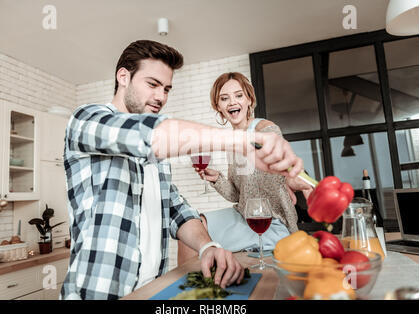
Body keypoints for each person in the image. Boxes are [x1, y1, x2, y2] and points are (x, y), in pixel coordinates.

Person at [60, 41, 304, 300]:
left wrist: (207, 246)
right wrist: (245, 140)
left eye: (166, 89)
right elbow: (149, 133)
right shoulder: (87, 119)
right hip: (97, 293)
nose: (161, 97)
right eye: (152, 84)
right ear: (123, 77)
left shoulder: (157, 159)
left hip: (152, 291)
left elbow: (176, 210)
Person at [178, 72, 313, 265]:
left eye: (239, 95)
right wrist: (217, 179)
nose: (232, 102)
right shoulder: (232, 144)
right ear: (218, 106)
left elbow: (284, 167)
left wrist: (296, 182)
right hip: (244, 216)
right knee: (191, 224)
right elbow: (237, 195)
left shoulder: (266, 130)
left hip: (272, 222)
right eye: (224, 98)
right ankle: (183, 288)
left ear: (249, 99)